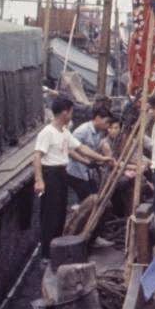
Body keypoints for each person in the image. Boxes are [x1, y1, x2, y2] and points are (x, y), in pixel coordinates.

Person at [33, 95, 114, 262]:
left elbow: (80, 148)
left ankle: (56, 248)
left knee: (60, 212)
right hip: (50, 174)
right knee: (50, 214)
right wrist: (39, 180)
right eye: (71, 111)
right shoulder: (47, 133)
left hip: (62, 173)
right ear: (64, 113)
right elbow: (37, 156)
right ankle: (46, 254)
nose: (72, 114)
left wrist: (101, 158)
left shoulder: (64, 132)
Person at [66, 106, 113, 202]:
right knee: (88, 200)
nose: (108, 126)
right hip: (76, 172)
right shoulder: (82, 131)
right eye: (106, 122)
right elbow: (70, 151)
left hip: (88, 172)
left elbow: (93, 149)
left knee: (96, 197)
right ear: (97, 118)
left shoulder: (99, 132)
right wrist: (86, 161)